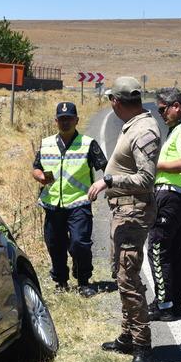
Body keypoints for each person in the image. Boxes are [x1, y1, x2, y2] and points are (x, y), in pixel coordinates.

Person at [87, 76, 162, 362]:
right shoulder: (133, 125)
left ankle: (143, 345)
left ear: (116, 102)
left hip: (133, 212)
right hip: (122, 211)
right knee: (121, 273)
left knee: (128, 277)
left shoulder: (144, 131)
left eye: (110, 101)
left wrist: (109, 180)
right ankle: (128, 335)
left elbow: (146, 178)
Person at [32, 101, 108, 297]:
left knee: (78, 243)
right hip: (52, 203)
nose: (65, 123)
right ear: (56, 121)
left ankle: (83, 280)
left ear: (77, 120)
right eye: (62, 119)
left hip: (79, 202)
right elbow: (36, 167)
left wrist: (102, 184)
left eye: (69, 119)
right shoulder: (46, 143)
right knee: (55, 244)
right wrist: (38, 175)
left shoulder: (88, 144)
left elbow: (106, 168)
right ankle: (61, 281)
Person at [148, 88, 181, 322]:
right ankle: (175, 301)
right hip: (175, 198)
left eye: (163, 109)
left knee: (158, 249)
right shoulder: (177, 130)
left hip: (171, 197)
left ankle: (164, 303)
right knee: (177, 251)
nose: (161, 114)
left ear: (176, 106)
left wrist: (155, 166)